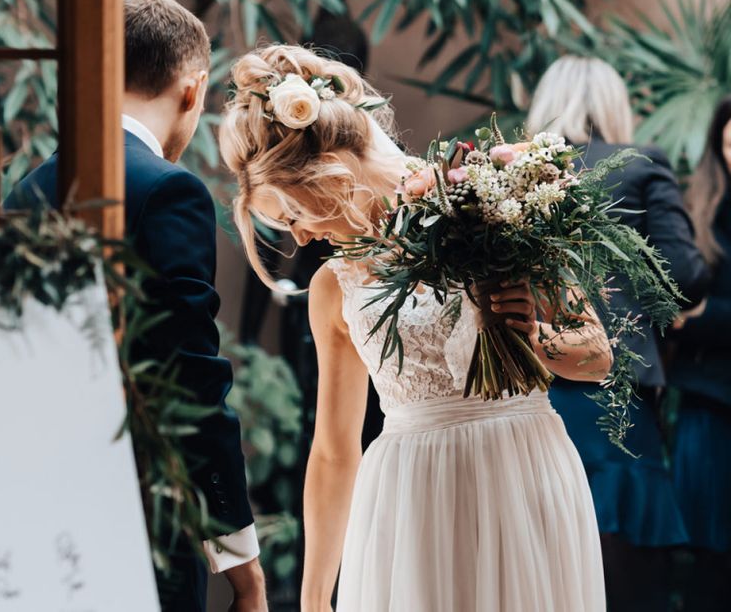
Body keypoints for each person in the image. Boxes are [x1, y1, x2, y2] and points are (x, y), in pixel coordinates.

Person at [218, 44, 614, 612]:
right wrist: (313, 599)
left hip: (523, 476)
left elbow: (597, 356)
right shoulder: (335, 286)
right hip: (413, 500)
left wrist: (534, 339)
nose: (300, 238)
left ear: (326, 175)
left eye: (292, 216)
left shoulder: (492, 202)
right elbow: (333, 450)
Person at [4, 0, 266, 612]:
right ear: (192, 90)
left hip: (29, 520)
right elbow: (192, 382)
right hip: (136, 520)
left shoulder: (26, 189)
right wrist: (244, 570)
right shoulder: (168, 190)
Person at [527, 55, 710, 612]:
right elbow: (684, 274)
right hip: (615, 387)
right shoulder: (640, 165)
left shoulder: (512, 175)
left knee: (542, 552)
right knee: (622, 565)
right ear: (614, 105)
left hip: (528, 380)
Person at [669, 96, 731, 611]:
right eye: (730, 144)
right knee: (704, 568)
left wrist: (706, 318)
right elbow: (671, 311)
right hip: (705, 410)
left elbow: (692, 315)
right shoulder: (699, 215)